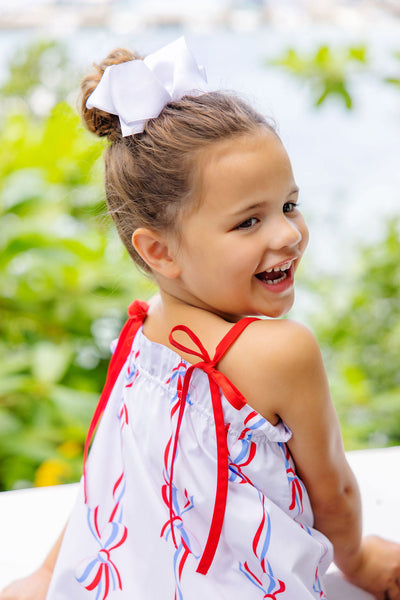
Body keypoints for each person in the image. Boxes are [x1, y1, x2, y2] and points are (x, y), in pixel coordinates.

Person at [1, 36, 400, 600]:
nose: (288, 233)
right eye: (248, 222)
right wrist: (358, 559)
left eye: (289, 204)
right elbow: (333, 492)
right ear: (159, 251)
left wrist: (48, 576)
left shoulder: (143, 332)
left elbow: (114, 474)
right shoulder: (281, 352)